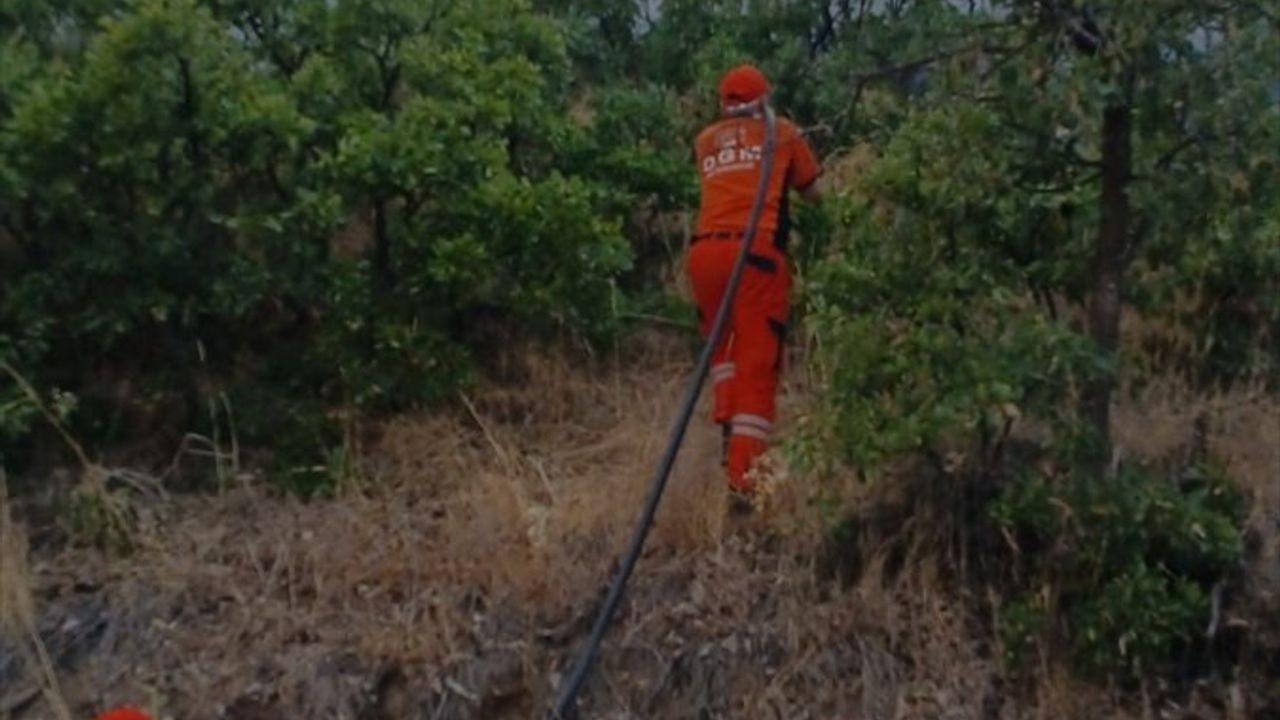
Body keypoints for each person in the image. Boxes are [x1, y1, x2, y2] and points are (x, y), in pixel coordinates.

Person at [686, 64, 822, 498]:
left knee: (722, 351)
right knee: (757, 362)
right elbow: (814, 193)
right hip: (754, 256)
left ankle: (727, 430)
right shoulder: (781, 132)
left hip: (704, 256)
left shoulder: (705, 141)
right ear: (763, 100)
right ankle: (745, 481)